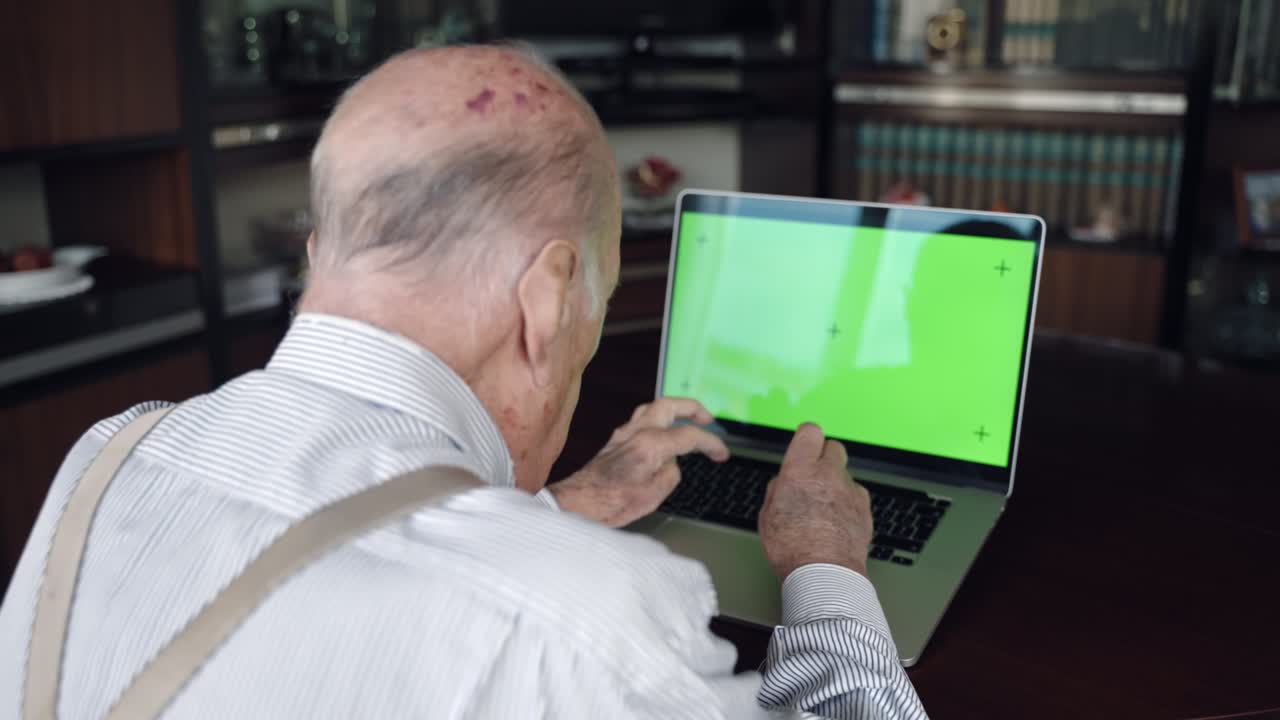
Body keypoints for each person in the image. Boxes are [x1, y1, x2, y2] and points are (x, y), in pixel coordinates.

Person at [0, 46, 926, 718]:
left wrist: (555, 508)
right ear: (548, 303)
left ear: (322, 254)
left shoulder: (110, 455)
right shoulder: (588, 622)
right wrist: (825, 565)